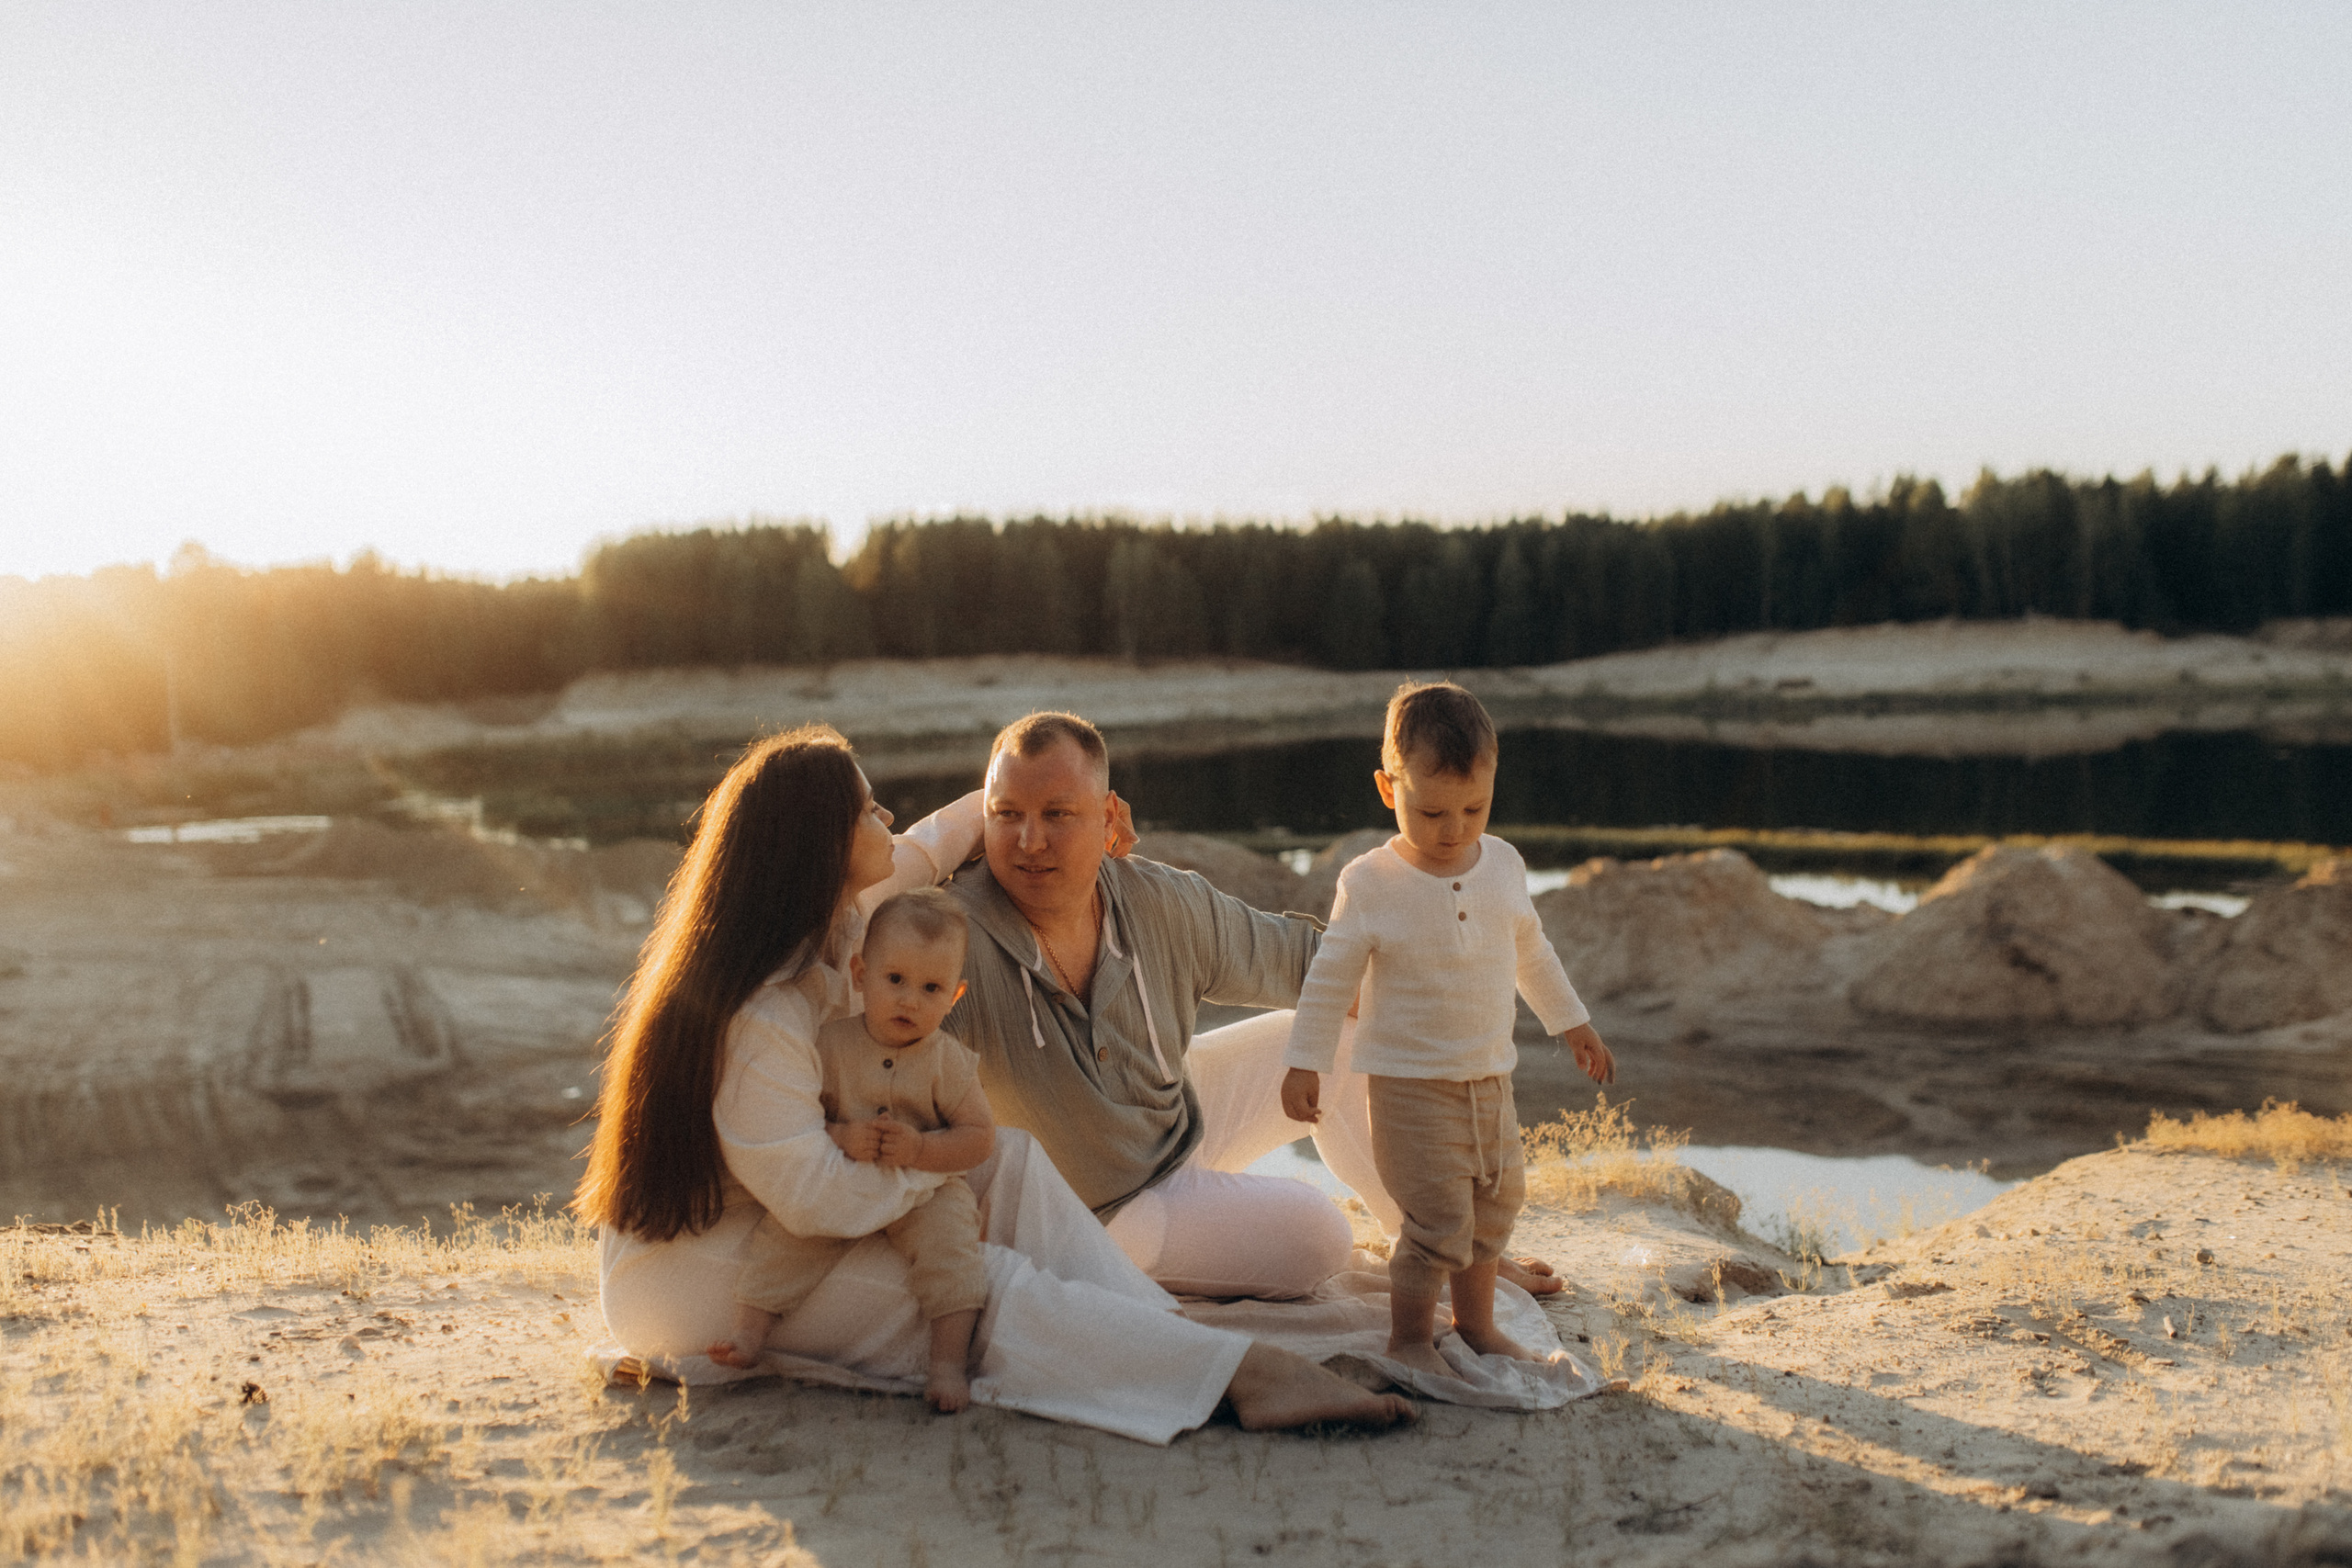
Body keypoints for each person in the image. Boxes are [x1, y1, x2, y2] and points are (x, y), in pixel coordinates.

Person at [578, 724, 1413, 1443]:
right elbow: (810, 1198)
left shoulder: (836, 925)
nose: (888, 818)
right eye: (869, 809)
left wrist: (1037, 808)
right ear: (820, 847)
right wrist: (935, 1186)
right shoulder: (765, 1011)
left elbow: (935, 842)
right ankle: (1238, 1379)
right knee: (973, 1283)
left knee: (1006, 1159)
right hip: (697, 1274)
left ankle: (1167, 1338)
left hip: (792, 1221)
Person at [944, 710, 1566, 1303]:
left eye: (1057, 813)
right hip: (1096, 1216)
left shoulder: (1157, 899)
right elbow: (865, 970)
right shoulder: (949, 933)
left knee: (1334, 1036)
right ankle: (1143, 1271)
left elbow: (1307, 962)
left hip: (1171, 1131)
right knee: (1321, 1237)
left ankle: (1441, 1247)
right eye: (1005, 814)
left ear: (1109, 817)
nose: (1029, 841)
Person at [1281, 682, 1618, 1380]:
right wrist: (1306, 1059)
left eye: (1475, 807)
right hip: (1409, 1088)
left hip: (1490, 1076)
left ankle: (1478, 1324)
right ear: (1386, 787)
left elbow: (1533, 952)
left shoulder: (1503, 865)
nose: (1453, 828)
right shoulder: (1370, 881)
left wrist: (1574, 1022)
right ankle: (1408, 1339)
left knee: (1494, 1206)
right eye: (1430, 810)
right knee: (1435, 1223)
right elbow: (1329, 979)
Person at [707, 887, 995, 1413]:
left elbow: (978, 1138)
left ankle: (948, 1363)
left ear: (955, 996)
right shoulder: (831, 1043)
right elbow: (806, 1119)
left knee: (953, 1251)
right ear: (861, 975)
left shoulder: (949, 1062)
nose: (909, 999)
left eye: (931, 988)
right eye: (895, 980)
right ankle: (750, 1334)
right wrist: (840, 1137)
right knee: (789, 1233)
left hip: (924, 1187)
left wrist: (922, 1148)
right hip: (844, 1175)